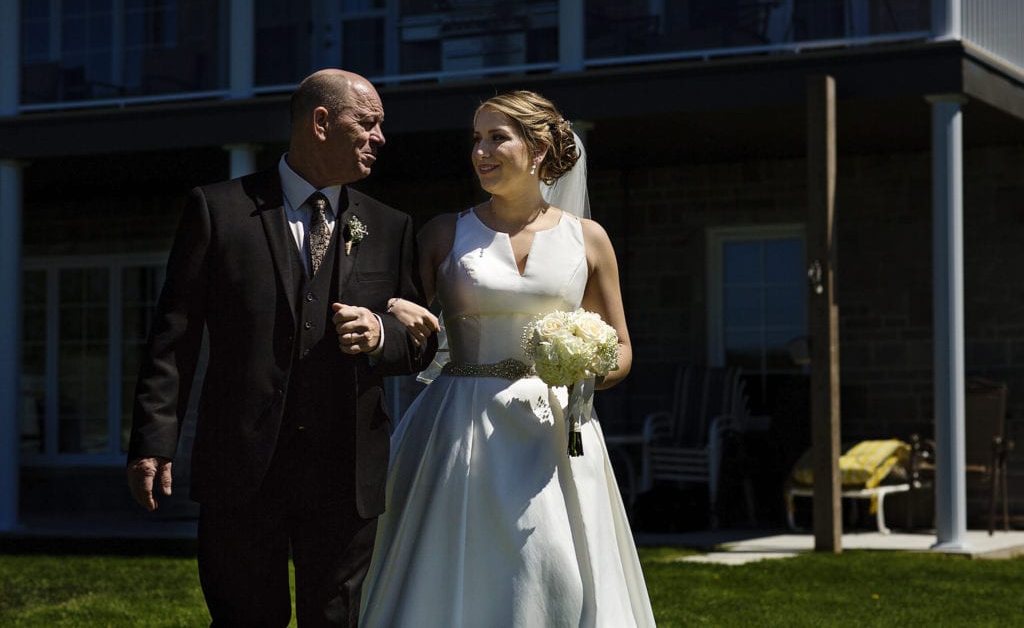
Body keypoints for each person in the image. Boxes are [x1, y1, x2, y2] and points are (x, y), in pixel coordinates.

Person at [126, 69, 437, 627]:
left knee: (335, 620)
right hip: (242, 468)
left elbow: (420, 341)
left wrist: (381, 335)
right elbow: (174, 339)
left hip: (346, 473)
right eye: (368, 123)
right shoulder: (218, 210)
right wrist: (154, 440)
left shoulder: (391, 227)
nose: (381, 137)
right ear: (321, 122)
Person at [359, 91, 656, 627]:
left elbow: (623, 351)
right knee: (455, 567)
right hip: (457, 426)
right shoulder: (444, 233)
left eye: (498, 137)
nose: (481, 151)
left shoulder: (588, 240)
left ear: (539, 148)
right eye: (476, 138)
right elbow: (406, 331)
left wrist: (585, 367)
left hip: (554, 432)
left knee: (554, 571)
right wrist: (397, 313)